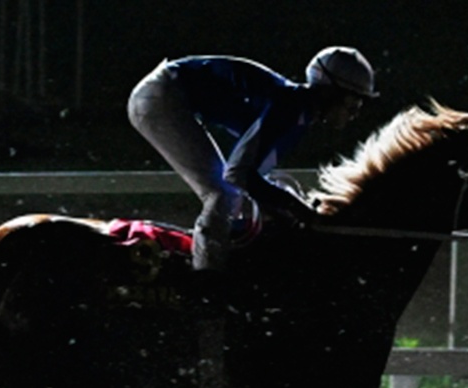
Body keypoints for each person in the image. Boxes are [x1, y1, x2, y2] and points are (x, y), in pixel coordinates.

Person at [128, 46, 378, 272]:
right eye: (353, 101)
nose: (355, 112)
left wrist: (293, 208)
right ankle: (206, 286)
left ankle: (209, 256)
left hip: (168, 93)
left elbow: (254, 179)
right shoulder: (290, 107)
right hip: (161, 95)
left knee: (238, 194)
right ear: (330, 92)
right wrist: (297, 208)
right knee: (222, 194)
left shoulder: (298, 114)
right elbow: (238, 175)